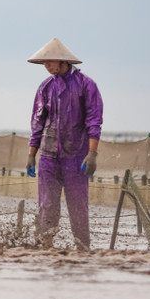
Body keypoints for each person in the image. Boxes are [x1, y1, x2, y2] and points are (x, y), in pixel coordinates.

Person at [25, 37, 103, 250]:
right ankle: (46, 248)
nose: (46, 66)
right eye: (44, 62)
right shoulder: (45, 87)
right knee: (47, 205)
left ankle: (83, 250)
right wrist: (32, 155)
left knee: (78, 206)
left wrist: (92, 154)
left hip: (76, 157)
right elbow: (37, 123)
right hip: (48, 156)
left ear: (62, 60)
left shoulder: (86, 85)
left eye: (49, 61)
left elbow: (94, 121)